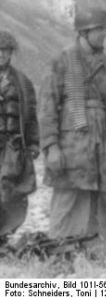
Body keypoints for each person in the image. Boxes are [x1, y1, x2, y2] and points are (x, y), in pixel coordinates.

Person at [38, 7, 106, 250]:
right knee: (68, 196)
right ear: (84, 32)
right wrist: (51, 146)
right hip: (73, 144)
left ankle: (99, 251)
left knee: (101, 197)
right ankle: (60, 250)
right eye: (99, 29)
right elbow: (47, 106)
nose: (104, 35)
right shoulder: (62, 61)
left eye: (105, 29)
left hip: (104, 144)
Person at [0, 31, 38, 247]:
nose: (1, 54)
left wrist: (33, 143)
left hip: (13, 148)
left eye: (5, 50)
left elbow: (31, 116)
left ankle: (4, 237)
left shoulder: (22, 82)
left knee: (13, 195)